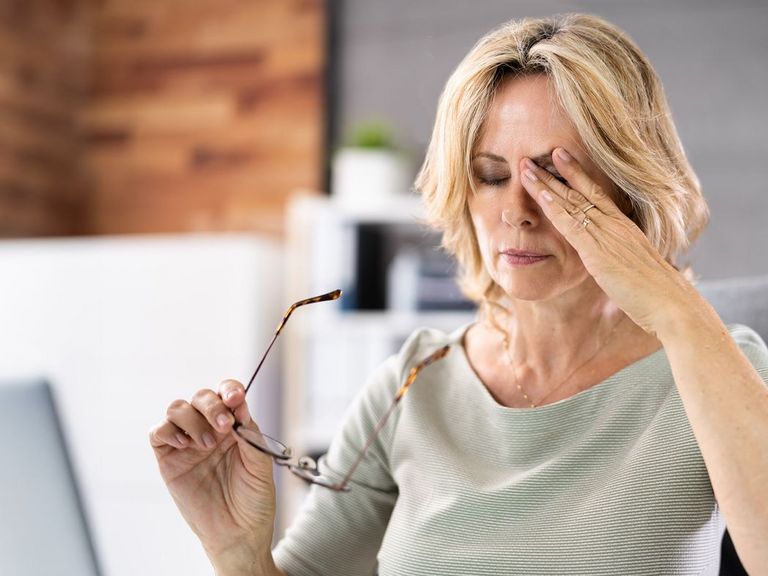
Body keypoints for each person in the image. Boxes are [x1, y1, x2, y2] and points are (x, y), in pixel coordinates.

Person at [149, 13, 768, 575]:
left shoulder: (714, 365)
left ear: (630, 188)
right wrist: (236, 553)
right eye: (491, 176)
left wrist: (671, 309)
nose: (517, 212)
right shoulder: (414, 383)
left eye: (554, 176)